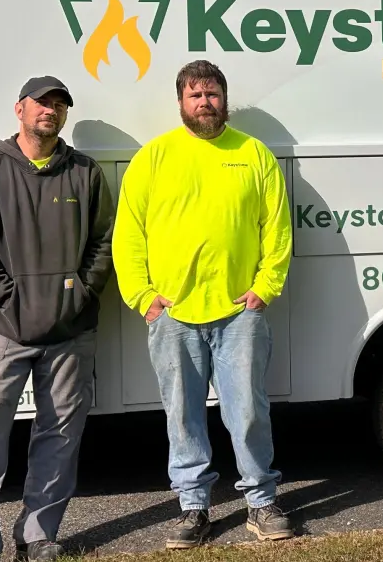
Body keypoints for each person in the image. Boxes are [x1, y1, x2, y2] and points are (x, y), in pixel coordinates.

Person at [112, 60, 294, 550]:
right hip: (173, 314)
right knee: (183, 414)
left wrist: (265, 287)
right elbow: (128, 235)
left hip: (239, 312)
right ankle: (193, 507)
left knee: (248, 411)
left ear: (224, 99)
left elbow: (277, 228)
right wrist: (143, 297)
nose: (205, 103)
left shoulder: (253, 153)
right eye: (195, 95)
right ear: (181, 102)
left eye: (212, 94)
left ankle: (261, 501)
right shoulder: (154, 157)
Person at [0, 76, 114, 562]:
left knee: (59, 437)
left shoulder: (84, 172)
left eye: (60, 104)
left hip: (71, 331)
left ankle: (39, 536)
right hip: (5, 329)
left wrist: (80, 295)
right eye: (42, 102)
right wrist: (7, 299)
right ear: (19, 109)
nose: (51, 110)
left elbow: (104, 243)